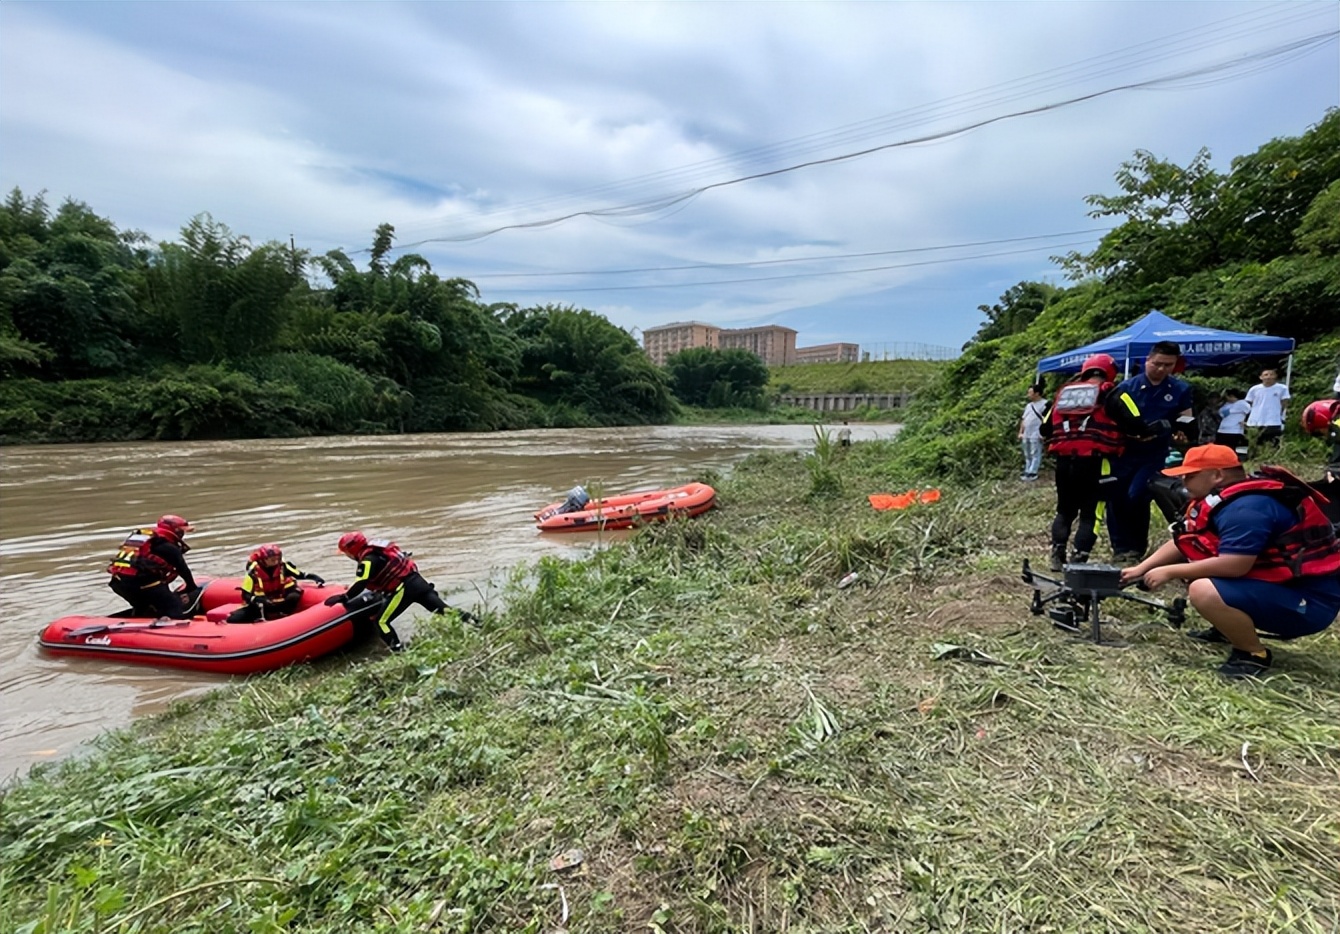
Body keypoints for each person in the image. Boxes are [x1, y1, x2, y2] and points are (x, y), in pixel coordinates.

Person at [1120, 444, 1340, 678]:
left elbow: (1235, 566)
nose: (1184, 481)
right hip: (1279, 589)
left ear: (1217, 475)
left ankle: (1253, 654)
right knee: (1199, 572)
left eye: (1191, 475)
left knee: (1203, 588)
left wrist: (1170, 571)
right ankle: (1228, 629)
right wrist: (1140, 569)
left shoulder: (1247, 508)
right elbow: (1186, 540)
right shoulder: (1221, 500)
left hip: (1310, 604)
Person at [1039, 353, 1150, 571]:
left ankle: (1057, 554)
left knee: (1065, 511)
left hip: (1064, 462)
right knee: (1092, 514)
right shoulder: (1114, 393)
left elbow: (1045, 428)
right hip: (1097, 462)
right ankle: (1078, 559)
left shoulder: (1063, 394)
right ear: (1110, 373)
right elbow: (1137, 423)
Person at [1107, 341, 1195, 563]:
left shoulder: (1180, 389)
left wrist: (1182, 433)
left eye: (1168, 365)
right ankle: (1120, 548)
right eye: (1157, 364)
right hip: (1123, 452)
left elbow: (1186, 418)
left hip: (1154, 453)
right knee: (1116, 498)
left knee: (1138, 495)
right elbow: (1111, 419)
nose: (1162, 369)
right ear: (1148, 360)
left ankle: (1136, 548)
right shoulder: (1127, 388)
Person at [324, 531, 450, 652]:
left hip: (403, 589)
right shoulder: (379, 549)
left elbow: (361, 583)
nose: (348, 556)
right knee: (445, 610)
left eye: (346, 553)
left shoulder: (367, 561)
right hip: (417, 581)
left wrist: (345, 597)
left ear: (352, 550)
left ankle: (398, 651)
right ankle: (469, 622)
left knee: (381, 622)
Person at [106, 515, 200, 618]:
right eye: (181, 531)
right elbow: (182, 569)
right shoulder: (168, 547)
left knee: (142, 606)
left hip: (118, 583)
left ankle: (137, 621)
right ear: (175, 531)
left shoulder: (141, 538)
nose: (182, 534)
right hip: (143, 585)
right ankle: (176, 626)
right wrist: (192, 587)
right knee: (174, 608)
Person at [226, 543, 326, 623]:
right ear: (264, 559)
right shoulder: (253, 572)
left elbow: (299, 574)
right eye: (272, 559)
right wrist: (257, 599)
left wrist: (313, 577)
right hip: (264, 601)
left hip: (280, 597)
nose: (275, 561)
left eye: (277, 558)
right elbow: (245, 595)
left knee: (294, 595)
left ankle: (285, 615)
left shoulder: (282, 566)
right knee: (236, 618)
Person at [1244, 368, 1290, 453]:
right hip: (1255, 421)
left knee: (1272, 444)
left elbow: (1284, 402)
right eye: (1266, 375)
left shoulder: (1282, 388)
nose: (1268, 377)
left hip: (1273, 421)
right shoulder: (1254, 389)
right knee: (1254, 444)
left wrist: (1279, 413)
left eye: (1271, 374)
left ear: (1275, 376)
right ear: (1261, 377)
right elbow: (1249, 402)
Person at [1018, 383, 1048, 481]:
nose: (1028, 394)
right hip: (1026, 433)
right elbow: (1024, 419)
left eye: (1030, 392)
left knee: (1035, 452)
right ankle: (1027, 469)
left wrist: (1044, 433)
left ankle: (1033, 471)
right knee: (1027, 453)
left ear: (1037, 393)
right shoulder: (1029, 405)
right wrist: (1021, 432)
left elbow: (1047, 420)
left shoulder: (1045, 404)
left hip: (1037, 432)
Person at [1214, 388, 1251, 456]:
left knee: (1230, 450)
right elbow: (1221, 412)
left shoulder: (1243, 403)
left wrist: (1246, 422)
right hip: (1222, 430)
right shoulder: (1226, 404)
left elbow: (1251, 412)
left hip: (1234, 430)